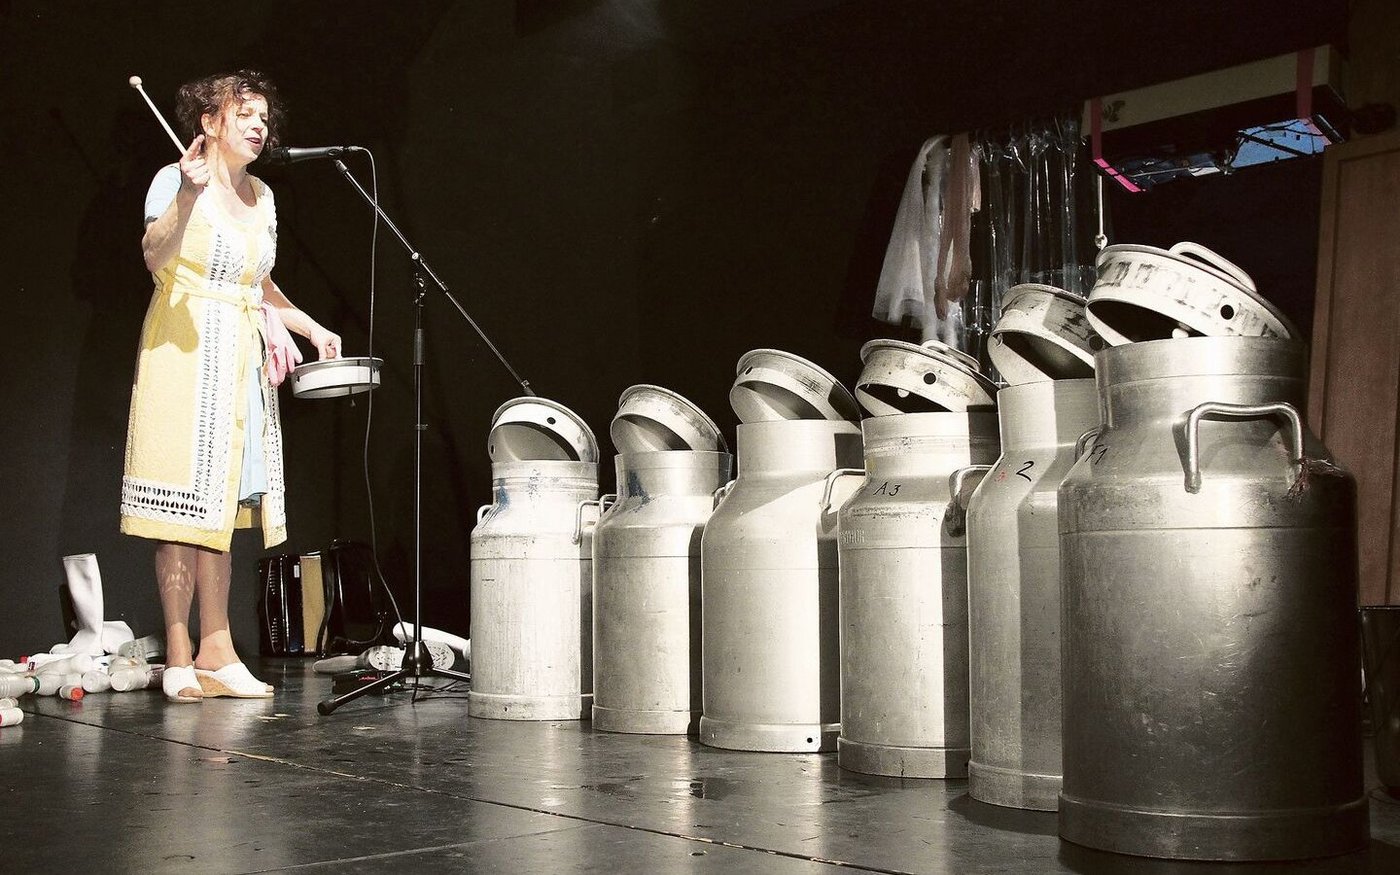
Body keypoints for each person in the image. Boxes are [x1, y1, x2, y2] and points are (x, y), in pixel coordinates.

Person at [119, 70, 340, 703]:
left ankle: (217, 648)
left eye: (264, 118)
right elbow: (155, 255)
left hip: (239, 355)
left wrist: (311, 327)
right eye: (244, 114)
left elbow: (257, 281)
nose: (258, 126)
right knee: (181, 503)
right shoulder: (175, 179)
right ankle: (178, 650)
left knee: (223, 507)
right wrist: (189, 197)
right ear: (209, 122)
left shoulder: (263, 195)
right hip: (184, 347)